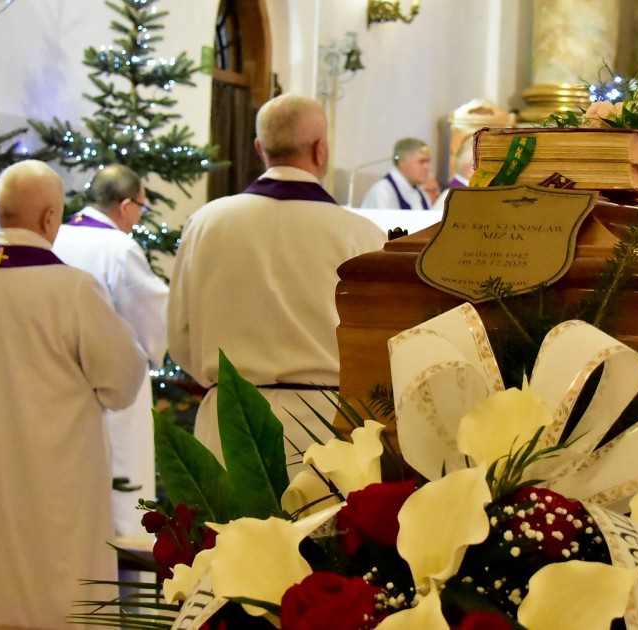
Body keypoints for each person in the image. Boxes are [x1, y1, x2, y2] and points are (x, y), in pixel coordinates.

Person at [0, 160, 148, 630]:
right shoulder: (72, 290)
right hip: (54, 483)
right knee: (55, 601)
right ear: (51, 217)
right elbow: (124, 378)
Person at [168, 94, 386, 471]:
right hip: (325, 429)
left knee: (229, 530)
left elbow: (180, 337)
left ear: (260, 148)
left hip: (230, 423)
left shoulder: (206, 223)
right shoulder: (362, 235)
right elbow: (377, 347)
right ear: (321, 150)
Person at [52, 164, 168, 538]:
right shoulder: (119, 247)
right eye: (141, 208)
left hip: (60, 386)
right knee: (121, 499)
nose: (139, 218)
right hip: (115, 390)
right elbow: (151, 319)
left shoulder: (55, 237)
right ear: (124, 205)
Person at [360, 137, 433, 210]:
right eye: (422, 162)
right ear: (403, 162)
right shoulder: (382, 192)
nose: (427, 167)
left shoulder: (422, 195)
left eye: (428, 162)